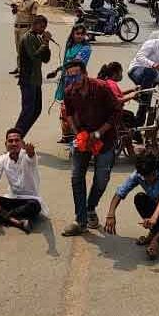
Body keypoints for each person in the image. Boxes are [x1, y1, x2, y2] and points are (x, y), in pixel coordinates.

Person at [61, 59, 121, 236]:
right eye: (70, 77)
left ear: (85, 74)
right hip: (83, 138)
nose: (74, 80)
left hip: (105, 139)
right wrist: (77, 133)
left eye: (77, 75)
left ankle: (90, 208)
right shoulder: (69, 92)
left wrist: (99, 133)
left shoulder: (101, 88)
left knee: (102, 179)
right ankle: (80, 220)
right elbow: (69, 114)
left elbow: (116, 112)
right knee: (76, 176)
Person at [103, 153, 159, 259]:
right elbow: (120, 192)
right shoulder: (138, 175)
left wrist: (154, 218)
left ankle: (155, 239)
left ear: (156, 170)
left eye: (150, 175)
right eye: (145, 176)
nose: (148, 179)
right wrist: (111, 213)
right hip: (158, 217)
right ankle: (154, 232)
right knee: (139, 198)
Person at [0, 128, 45, 233]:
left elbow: (31, 157)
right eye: (10, 141)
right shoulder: (3, 159)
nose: (14, 143)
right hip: (12, 198)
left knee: (35, 206)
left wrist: (31, 152)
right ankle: (16, 221)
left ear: (22, 143)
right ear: (6, 144)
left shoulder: (28, 156)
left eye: (17, 140)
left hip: (28, 200)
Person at [14, 14, 52, 137]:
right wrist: (44, 43)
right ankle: (16, 135)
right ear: (34, 25)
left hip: (36, 80)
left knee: (36, 110)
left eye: (44, 27)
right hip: (28, 79)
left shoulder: (39, 38)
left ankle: (21, 134)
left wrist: (46, 43)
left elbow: (46, 59)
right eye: (41, 27)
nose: (43, 29)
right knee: (27, 110)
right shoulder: (27, 38)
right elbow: (34, 57)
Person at [10, 0, 39, 75]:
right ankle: (19, 67)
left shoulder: (33, 2)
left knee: (24, 50)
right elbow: (15, 12)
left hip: (25, 28)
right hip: (17, 27)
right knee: (18, 49)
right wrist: (14, 8)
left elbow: (34, 17)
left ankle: (23, 70)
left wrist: (32, 31)